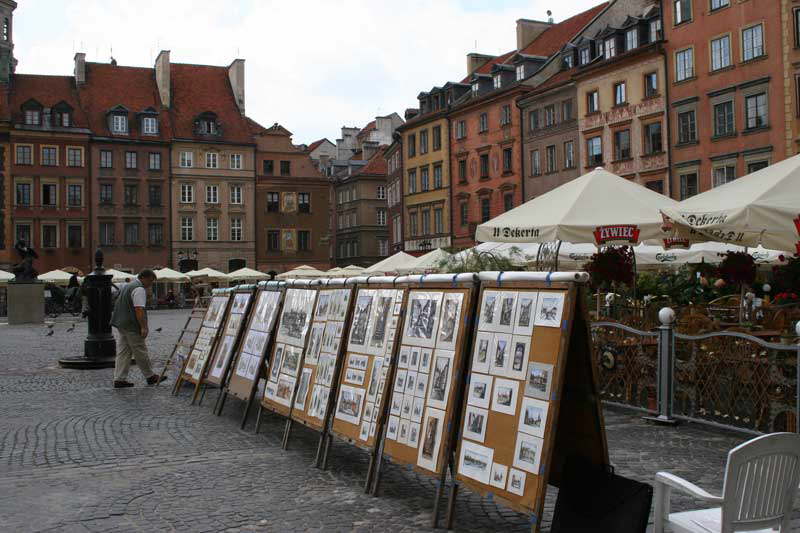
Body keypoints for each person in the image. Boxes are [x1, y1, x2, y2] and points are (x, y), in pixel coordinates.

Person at [110, 269, 167, 388]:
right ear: (144, 278)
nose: (150, 284)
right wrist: (144, 327)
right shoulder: (139, 289)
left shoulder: (128, 285)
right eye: (150, 281)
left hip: (121, 323)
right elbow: (139, 309)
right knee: (140, 350)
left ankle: (119, 379)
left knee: (123, 352)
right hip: (131, 325)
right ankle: (150, 376)